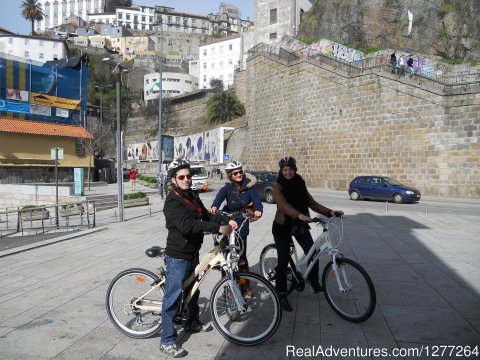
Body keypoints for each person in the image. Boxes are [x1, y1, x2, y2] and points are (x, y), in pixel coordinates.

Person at [161, 159, 238, 358]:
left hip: (192, 252)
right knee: (173, 296)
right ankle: (167, 340)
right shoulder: (172, 201)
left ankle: (192, 321)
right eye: (182, 177)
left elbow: (205, 215)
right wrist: (216, 228)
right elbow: (188, 225)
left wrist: (224, 219)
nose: (187, 179)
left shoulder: (192, 196)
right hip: (178, 256)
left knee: (193, 289)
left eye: (188, 176)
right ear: (174, 180)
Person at [272, 156, 343, 312]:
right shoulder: (278, 185)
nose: (288, 172)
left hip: (299, 225)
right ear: (281, 170)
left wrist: (330, 212)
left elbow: (311, 202)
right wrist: (299, 215)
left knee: (313, 253)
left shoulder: (299, 182)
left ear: (295, 169)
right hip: (282, 226)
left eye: (290, 169)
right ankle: (281, 294)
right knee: (283, 261)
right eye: (285, 169)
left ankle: (314, 281)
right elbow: (282, 205)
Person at [210, 161, 263, 288]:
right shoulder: (227, 188)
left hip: (242, 220)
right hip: (228, 219)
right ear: (230, 175)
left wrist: (258, 210)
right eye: (235, 173)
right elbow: (218, 198)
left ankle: (245, 286)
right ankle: (225, 283)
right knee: (224, 256)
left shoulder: (249, 187)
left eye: (240, 172)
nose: (239, 174)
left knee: (242, 258)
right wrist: (214, 206)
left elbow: (256, 200)